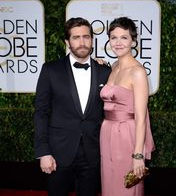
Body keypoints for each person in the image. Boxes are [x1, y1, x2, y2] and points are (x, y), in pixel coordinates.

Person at [34, 17, 111, 196]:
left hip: (93, 153)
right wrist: (43, 152)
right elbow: (41, 113)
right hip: (58, 153)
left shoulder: (105, 72)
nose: (82, 42)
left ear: (92, 39)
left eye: (86, 37)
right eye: (76, 37)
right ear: (67, 42)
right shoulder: (50, 70)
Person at [100, 17, 155, 196]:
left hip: (126, 136)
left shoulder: (138, 72)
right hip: (107, 132)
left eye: (124, 38)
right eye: (113, 37)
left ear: (133, 41)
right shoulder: (114, 66)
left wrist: (138, 155)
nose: (118, 42)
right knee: (110, 183)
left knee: (126, 186)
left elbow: (140, 118)